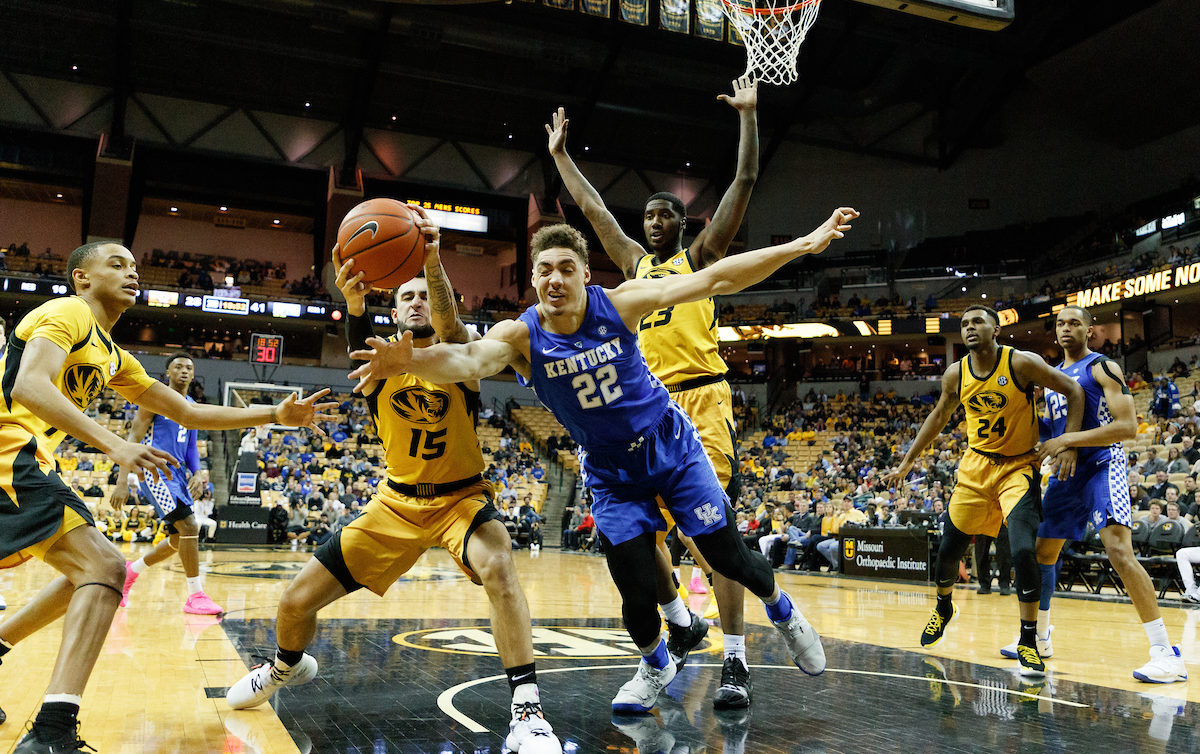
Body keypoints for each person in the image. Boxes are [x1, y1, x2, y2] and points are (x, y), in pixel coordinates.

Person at [349, 211, 857, 713]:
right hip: (612, 472)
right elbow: (466, 360)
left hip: (670, 446)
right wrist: (409, 360)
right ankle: (656, 665)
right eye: (545, 269)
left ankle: (785, 613)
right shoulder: (522, 335)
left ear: (585, 275)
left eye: (567, 267)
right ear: (532, 280)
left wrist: (803, 244)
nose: (555, 277)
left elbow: (715, 277)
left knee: (727, 557)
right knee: (636, 595)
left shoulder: (619, 304)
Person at [228, 214, 562, 754]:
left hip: (461, 500)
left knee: (500, 566)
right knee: (293, 604)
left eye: (424, 295)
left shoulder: (462, 360)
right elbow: (357, 336)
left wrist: (431, 262)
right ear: (393, 307)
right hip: (395, 506)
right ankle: (286, 666)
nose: (415, 302)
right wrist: (355, 304)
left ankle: (527, 713)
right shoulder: (377, 367)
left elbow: (453, 330)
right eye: (404, 295)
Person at [0, 241, 335, 753]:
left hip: (27, 460)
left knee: (90, 573)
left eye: (134, 266)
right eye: (116, 264)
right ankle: (50, 733)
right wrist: (116, 447)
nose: (131, 272)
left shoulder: (112, 354)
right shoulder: (66, 311)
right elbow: (28, 385)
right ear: (81, 280)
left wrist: (274, 415)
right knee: (106, 568)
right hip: (10, 453)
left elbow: (190, 413)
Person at [547, 80, 760, 708]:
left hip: (703, 406)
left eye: (665, 213)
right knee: (636, 540)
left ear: (682, 222)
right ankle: (681, 622)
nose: (653, 221)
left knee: (711, 535)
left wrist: (747, 119)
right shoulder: (635, 269)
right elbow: (594, 214)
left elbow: (742, 185)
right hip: (646, 413)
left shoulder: (699, 258)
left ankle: (737, 661)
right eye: (648, 215)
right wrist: (561, 158)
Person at [886, 304, 1085, 678]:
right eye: (964, 324)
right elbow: (940, 416)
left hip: (1018, 468)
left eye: (978, 321)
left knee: (1025, 550)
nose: (970, 328)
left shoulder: (1021, 363)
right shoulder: (955, 373)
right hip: (976, 467)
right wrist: (909, 460)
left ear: (996, 329)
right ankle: (944, 607)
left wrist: (1069, 442)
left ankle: (1028, 639)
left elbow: (1073, 389)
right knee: (947, 551)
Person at [999, 306, 1186, 682]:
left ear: (1089, 330)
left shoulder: (1102, 367)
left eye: (1075, 323)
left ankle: (1166, 653)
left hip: (1103, 464)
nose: (1067, 328)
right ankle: (1040, 637)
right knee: (1042, 552)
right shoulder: (1052, 376)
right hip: (1067, 472)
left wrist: (1069, 438)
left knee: (1118, 550)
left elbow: (1128, 426)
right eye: (1061, 324)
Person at [110, 352, 221, 615]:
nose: (184, 371)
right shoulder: (154, 399)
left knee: (176, 539)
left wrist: (197, 473)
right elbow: (133, 439)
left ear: (193, 375)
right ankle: (196, 595)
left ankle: (130, 571)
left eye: (189, 368)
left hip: (179, 475)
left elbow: (192, 446)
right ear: (168, 373)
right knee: (190, 525)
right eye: (178, 366)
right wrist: (122, 481)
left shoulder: (191, 404)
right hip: (155, 471)